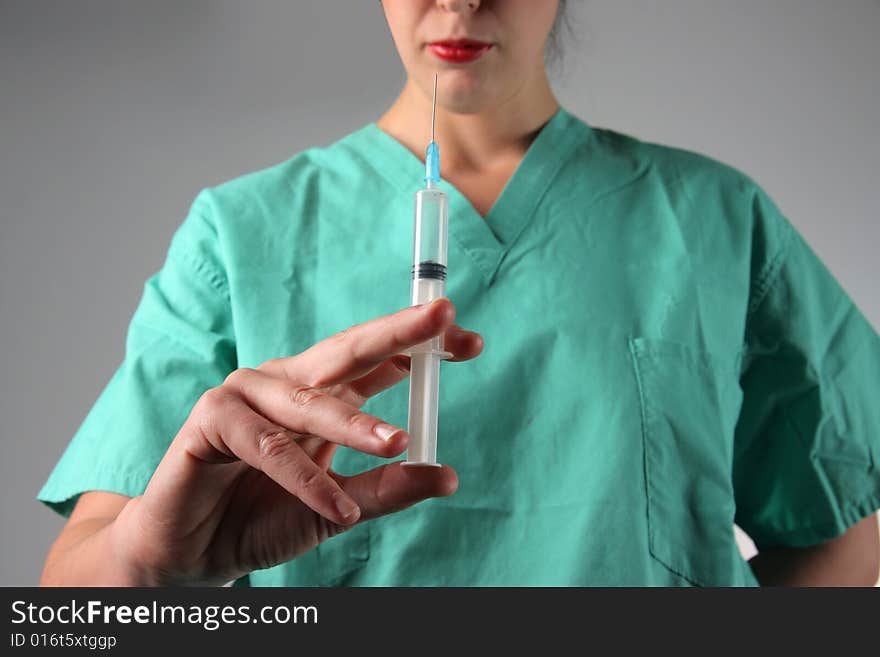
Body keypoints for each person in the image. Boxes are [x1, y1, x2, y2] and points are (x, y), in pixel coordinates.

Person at [38, 0, 880, 587]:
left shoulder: (712, 218)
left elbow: (852, 511)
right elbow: (75, 601)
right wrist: (149, 568)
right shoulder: (241, 235)